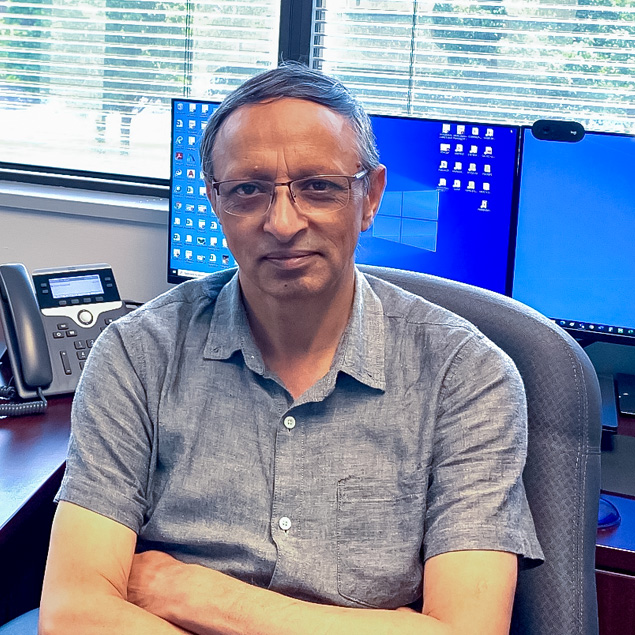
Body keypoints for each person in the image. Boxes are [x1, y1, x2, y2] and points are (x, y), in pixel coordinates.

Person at [39, 62, 543, 634]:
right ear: (216, 202)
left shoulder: (467, 376)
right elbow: (72, 615)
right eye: (248, 190)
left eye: (318, 187)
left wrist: (197, 595)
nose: (282, 222)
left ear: (370, 196)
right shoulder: (137, 355)